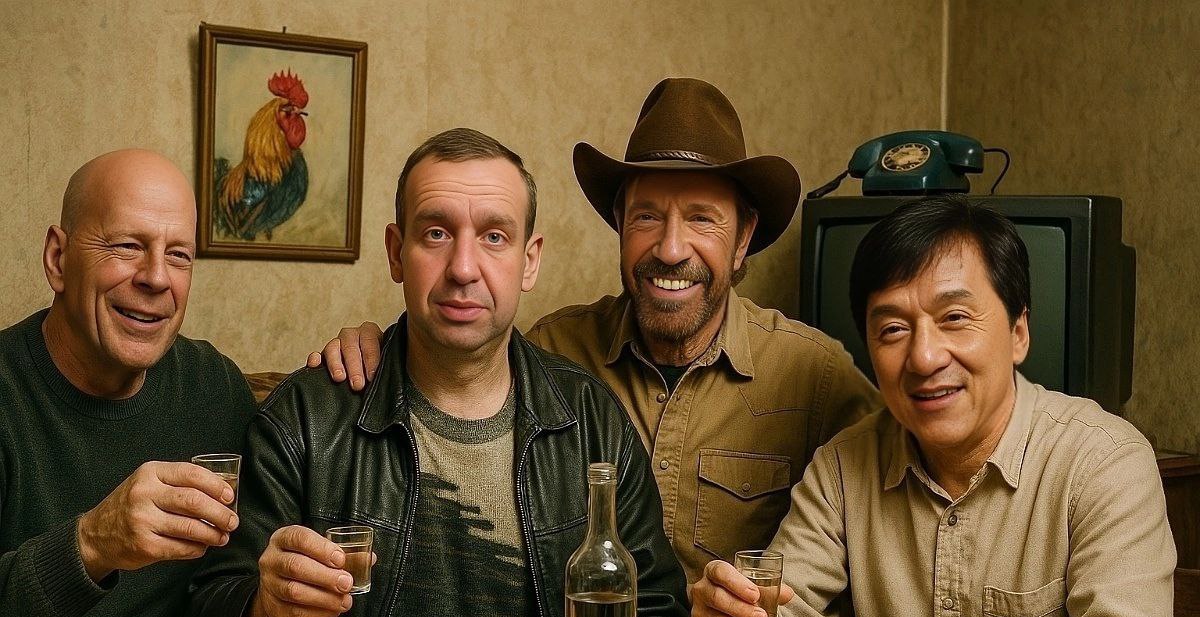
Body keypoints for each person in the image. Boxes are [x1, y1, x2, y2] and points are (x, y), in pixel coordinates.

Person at [186, 128, 690, 617]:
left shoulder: (593, 422)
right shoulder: (306, 419)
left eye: (494, 237)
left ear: (529, 261)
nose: (463, 268)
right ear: (396, 252)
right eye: (436, 233)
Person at [690, 195, 1184, 617]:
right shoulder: (844, 466)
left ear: (1018, 331)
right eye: (893, 329)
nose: (923, 358)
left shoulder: (1104, 458)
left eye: (954, 318)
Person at [313, 78, 879, 584]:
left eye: (702, 218)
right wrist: (382, 347)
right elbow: (458, 356)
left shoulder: (815, 376)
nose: (671, 249)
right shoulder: (555, 349)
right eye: (646, 216)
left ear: (743, 239)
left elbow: (904, 486)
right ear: (620, 227)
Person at [0, 149, 258, 617]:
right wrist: (92, 543)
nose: (156, 278)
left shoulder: (215, 389)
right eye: (126, 246)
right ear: (58, 259)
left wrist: (368, 345)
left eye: (179, 255)